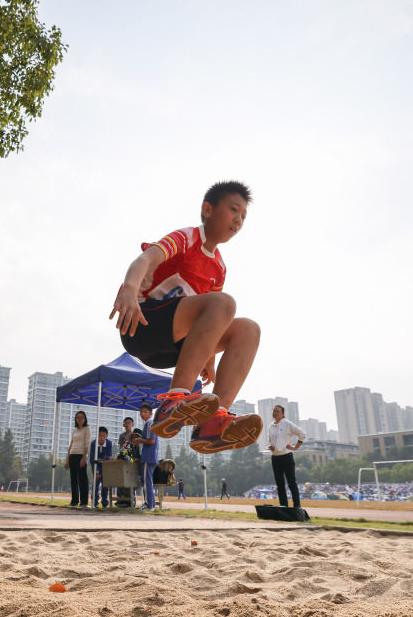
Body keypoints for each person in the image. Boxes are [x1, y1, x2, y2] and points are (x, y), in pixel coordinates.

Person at [109, 181, 263, 454]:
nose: (238, 220)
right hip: (142, 324)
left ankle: (214, 423)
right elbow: (145, 259)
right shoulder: (188, 237)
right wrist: (130, 289)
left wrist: (210, 359)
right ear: (208, 209)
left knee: (248, 330)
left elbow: (214, 320)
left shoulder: (219, 267)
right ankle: (173, 402)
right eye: (233, 210)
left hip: (175, 345)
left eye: (243, 216)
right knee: (224, 302)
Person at [266, 405, 306, 508]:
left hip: (286, 457)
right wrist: (271, 446)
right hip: (275, 457)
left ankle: (297, 507)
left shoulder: (287, 424)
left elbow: (302, 434)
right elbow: (270, 440)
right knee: (280, 485)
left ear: (282, 414)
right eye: (274, 410)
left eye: (277, 411)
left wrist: (295, 447)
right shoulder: (271, 426)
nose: (275, 412)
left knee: (292, 483)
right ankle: (283, 506)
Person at [131, 403, 158, 510]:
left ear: (150, 413)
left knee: (147, 482)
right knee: (147, 481)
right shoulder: (150, 423)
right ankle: (150, 504)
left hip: (148, 456)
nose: (142, 414)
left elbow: (151, 440)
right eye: (141, 412)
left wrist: (139, 440)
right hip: (150, 456)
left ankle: (149, 505)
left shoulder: (149, 423)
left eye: (145, 412)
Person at [64, 411, 91, 507]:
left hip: (81, 456)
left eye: (82, 417)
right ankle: (74, 501)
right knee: (73, 480)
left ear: (85, 419)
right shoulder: (74, 430)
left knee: (82, 479)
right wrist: (67, 460)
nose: (80, 419)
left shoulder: (87, 429)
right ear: (75, 419)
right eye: (78, 417)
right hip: (72, 456)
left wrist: (84, 457)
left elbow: (87, 444)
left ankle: (84, 502)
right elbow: (71, 444)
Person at [89, 426, 113, 508]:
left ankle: (105, 503)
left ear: (106, 436)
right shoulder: (93, 444)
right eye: (99, 436)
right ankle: (94, 502)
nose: (101, 438)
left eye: (103, 436)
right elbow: (92, 459)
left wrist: (107, 459)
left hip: (105, 467)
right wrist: (97, 471)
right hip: (95, 466)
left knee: (105, 485)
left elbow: (109, 456)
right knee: (95, 484)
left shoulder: (109, 443)